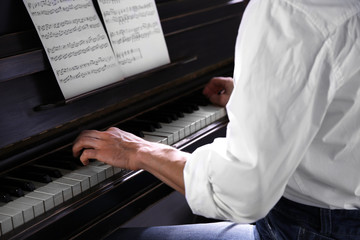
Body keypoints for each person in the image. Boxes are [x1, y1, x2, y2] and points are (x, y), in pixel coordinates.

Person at [72, 0, 360, 239]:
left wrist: (142, 150)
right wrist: (262, 99)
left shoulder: (286, 9)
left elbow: (242, 191)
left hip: (308, 230)